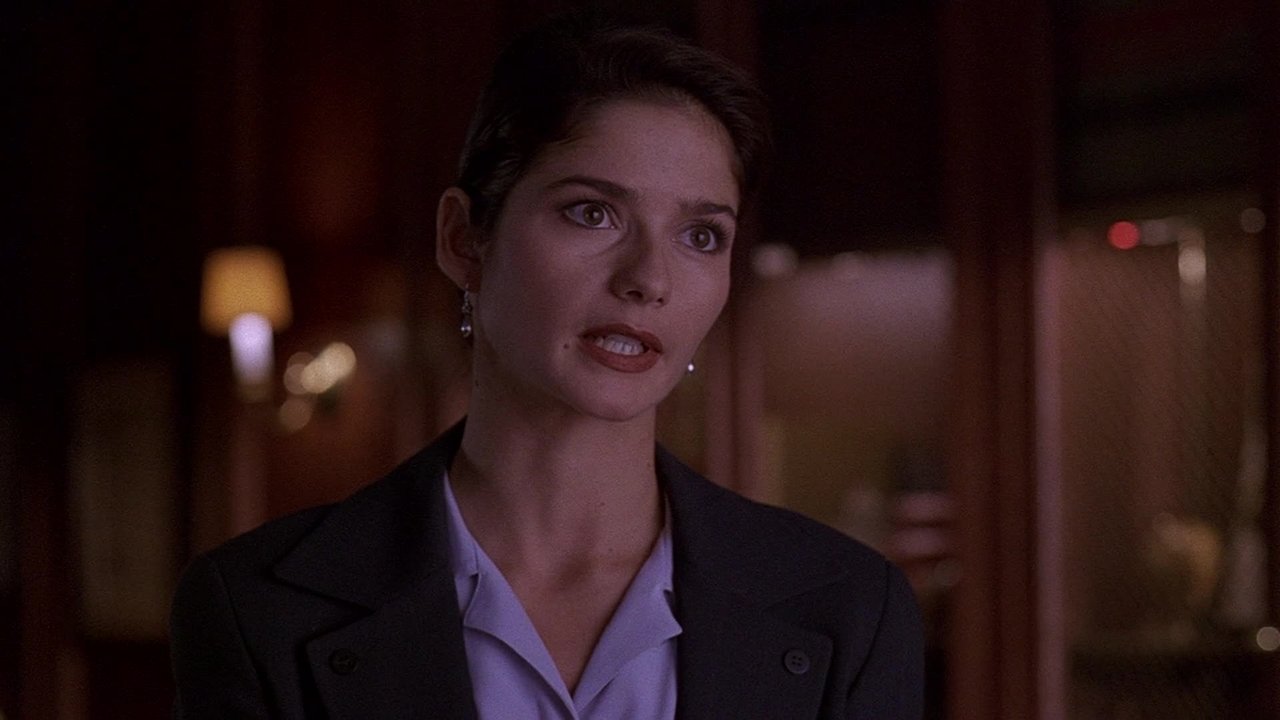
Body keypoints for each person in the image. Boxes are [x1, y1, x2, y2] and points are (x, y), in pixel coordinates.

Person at [170, 13, 924, 719]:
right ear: (464, 239)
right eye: (592, 212)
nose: (649, 279)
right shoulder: (259, 608)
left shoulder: (850, 609)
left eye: (700, 235)